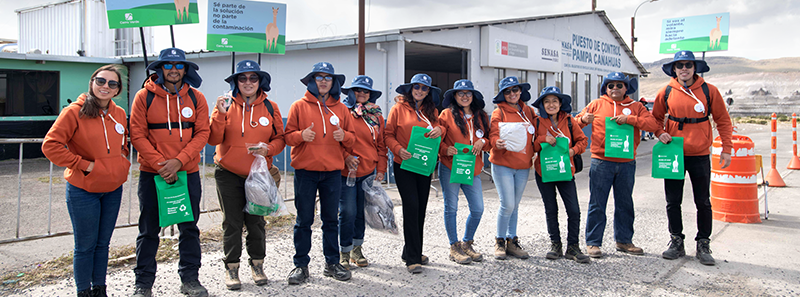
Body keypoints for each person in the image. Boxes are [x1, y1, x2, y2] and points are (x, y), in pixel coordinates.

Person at [42, 65, 129, 297]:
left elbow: (123, 142)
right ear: (92, 82)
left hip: (112, 189)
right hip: (84, 190)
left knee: (103, 245)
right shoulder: (74, 112)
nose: (106, 87)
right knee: (85, 246)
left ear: (117, 89)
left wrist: (121, 161)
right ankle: (84, 291)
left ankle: (100, 289)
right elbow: (50, 146)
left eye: (112, 84)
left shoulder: (119, 113)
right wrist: (86, 166)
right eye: (101, 81)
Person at [129, 48, 210, 297]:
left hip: (187, 172)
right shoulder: (144, 96)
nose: (174, 70)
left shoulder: (197, 98)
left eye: (179, 65)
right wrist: (161, 165)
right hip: (152, 173)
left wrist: (179, 161)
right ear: (160, 69)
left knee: (189, 228)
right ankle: (143, 283)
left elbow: (202, 133)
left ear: (186, 70)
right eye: (168, 65)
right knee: (148, 229)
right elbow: (137, 133)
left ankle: (190, 279)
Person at [207, 60, 285, 289]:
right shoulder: (223, 105)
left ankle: (257, 264)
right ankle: (232, 268)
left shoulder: (271, 107)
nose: (248, 82)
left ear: (260, 82)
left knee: (256, 221)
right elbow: (213, 140)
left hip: (258, 173)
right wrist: (220, 115)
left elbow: (280, 139)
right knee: (231, 223)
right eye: (242, 78)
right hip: (228, 173)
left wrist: (269, 149)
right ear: (235, 82)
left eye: (253, 78)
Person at [652, 51, 733, 266]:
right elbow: (655, 119)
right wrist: (660, 133)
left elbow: (723, 120)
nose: (684, 68)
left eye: (688, 64)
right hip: (673, 152)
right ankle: (676, 241)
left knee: (703, 201)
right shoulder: (666, 91)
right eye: (680, 65)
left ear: (695, 67)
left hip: (700, 154)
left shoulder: (709, 91)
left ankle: (703, 243)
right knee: (672, 201)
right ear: (674, 69)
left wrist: (727, 148)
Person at [576, 72, 661, 259]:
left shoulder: (636, 106)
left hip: (626, 163)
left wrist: (630, 119)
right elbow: (573, 126)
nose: (615, 88)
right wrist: (582, 120)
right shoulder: (596, 104)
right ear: (605, 88)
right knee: (597, 203)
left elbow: (652, 125)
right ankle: (593, 243)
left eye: (619, 85)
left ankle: (624, 241)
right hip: (601, 162)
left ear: (626, 88)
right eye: (611, 85)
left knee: (625, 203)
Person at [284, 62, 355, 284]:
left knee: (331, 220)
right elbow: (287, 137)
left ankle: (332, 263)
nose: (323, 81)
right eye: (319, 77)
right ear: (312, 81)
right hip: (305, 171)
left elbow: (353, 141)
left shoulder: (342, 109)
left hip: (332, 172)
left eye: (328, 77)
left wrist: (345, 136)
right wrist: (300, 136)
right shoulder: (298, 106)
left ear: (333, 83)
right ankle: (300, 265)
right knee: (304, 220)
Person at [385, 73, 442, 274]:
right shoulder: (398, 109)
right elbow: (388, 135)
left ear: (428, 92)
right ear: (411, 89)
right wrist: (398, 149)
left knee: (421, 208)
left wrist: (440, 129)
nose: (420, 91)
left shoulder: (432, 111)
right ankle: (412, 258)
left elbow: (438, 129)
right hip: (404, 164)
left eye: (424, 88)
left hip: (424, 165)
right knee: (411, 206)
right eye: (416, 87)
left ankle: (411, 250)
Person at [530, 86, 590, 263]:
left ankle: (573, 246)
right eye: (547, 101)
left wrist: (573, 151)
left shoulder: (570, 120)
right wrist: (542, 139)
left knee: (574, 210)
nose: (551, 104)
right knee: (551, 209)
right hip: (544, 172)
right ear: (542, 104)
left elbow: (583, 140)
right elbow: (532, 146)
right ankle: (555, 244)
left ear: (560, 103)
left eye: (554, 101)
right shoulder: (538, 122)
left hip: (565, 172)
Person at [437, 79, 491, 265]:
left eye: (468, 93)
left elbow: (489, 140)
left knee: (477, 209)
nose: (465, 96)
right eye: (461, 93)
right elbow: (438, 139)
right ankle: (454, 246)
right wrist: (445, 150)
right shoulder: (445, 115)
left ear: (473, 96)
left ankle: (467, 243)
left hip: (472, 169)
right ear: (455, 96)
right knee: (451, 207)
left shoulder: (481, 116)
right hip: (450, 167)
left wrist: (482, 142)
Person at [337, 75, 388, 270]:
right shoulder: (342, 112)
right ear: (351, 91)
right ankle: (344, 251)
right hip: (347, 171)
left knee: (361, 212)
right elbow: (336, 141)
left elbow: (381, 144)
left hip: (368, 170)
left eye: (365, 91)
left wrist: (381, 168)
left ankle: (356, 249)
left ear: (370, 95)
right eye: (357, 90)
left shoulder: (376, 115)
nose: (361, 94)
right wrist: (345, 157)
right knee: (347, 212)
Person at [488, 76, 536, 260]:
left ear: (520, 91)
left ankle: (512, 241)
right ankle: (499, 241)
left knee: (515, 205)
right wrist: (495, 142)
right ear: (502, 94)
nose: (512, 94)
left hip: (523, 165)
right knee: (507, 204)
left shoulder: (529, 111)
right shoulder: (498, 112)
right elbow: (492, 134)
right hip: (503, 164)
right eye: (507, 91)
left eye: (515, 90)